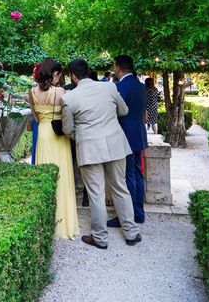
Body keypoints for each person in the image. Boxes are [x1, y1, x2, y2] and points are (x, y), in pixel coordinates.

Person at [61, 58, 141, 249]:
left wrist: (82, 136)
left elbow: (67, 129)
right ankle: (131, 232)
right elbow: (124, 110)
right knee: (121, 188)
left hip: (89, 149)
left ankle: (100, 238)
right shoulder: (109, 88)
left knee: (96, 193)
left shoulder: (69, 98)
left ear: (73, 76)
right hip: (115, 144)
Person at [29, 58, 80, 240]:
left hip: (43, 134)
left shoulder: (32, 92)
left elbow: (36, 117)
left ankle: (44, 222)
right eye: (59, 74)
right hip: (58, 137)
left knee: (44, 177)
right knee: (62, 177)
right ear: (55, 74)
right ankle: (62, 222)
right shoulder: (60, 91)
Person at [110, 54, 148, 227]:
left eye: (114, 66)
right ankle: (139, 212)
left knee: (127, 176)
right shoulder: (140, 86)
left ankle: (127, 215)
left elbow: (117, 111)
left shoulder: (120, 87)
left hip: (125, 135)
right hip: (139, 134)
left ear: (118, 67)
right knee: (138, 175)